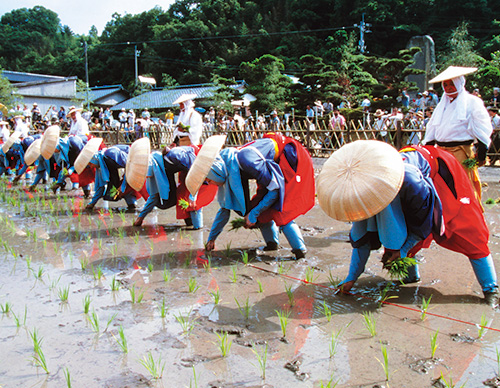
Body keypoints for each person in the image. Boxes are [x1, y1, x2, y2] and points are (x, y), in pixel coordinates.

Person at [318, 140, 499, 306]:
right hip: (400, 183)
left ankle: (491, 289)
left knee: (468, 232)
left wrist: (402, 250)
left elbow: (423, 223)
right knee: (395, 230)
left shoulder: (412, 183)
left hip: (439, 171)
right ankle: (410, 277)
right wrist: (352, 277)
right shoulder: (362, 194)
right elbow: (362, 237)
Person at [197, 133, 315, 259]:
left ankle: (300, 252)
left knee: (282, 209)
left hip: (290, 157)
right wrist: (211, 239)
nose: (211, 184)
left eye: (209, 180)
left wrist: (253, 215)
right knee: (258, 208)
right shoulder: (228, 165)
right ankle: (272, 245)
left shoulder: (246, 161)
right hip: (269, 170)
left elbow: (274, 189)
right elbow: (224, 209)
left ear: (216, 173)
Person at [423, 66, 492, 204]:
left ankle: (470, 216)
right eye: (446, 84)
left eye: (451, 84)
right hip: (441, 151)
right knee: (443, 185)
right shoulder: (442, 104)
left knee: (463, 185)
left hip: (460, 150)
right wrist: (428, 145)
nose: (448, 87)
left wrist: (482, 150)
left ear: (459, 83)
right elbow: (433, 126)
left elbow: (482, 126)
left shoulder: (472, 102)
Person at [133, 146, 217, 227]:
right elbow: (154, 196)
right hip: (187, 173)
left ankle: (198, 229)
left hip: (200, 169)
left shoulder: (175, 156)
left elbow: (197, 172)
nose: (147, 178)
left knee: (195, 201)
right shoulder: (160, 171)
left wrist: (193, 197)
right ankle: (191, 225)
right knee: (181, 198)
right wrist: (141, 217)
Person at [85, 145, 147, 211]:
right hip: (130, 168)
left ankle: (151, 205)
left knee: (136, 185)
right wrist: (92, 203)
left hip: (137, 163)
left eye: (90, 164)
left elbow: (129, 166)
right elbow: (101, 186)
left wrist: (123, 186)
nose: (91, 167)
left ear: (94, 160)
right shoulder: (102, 165)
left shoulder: (110, 154)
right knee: (120, 190)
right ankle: (132, 207)